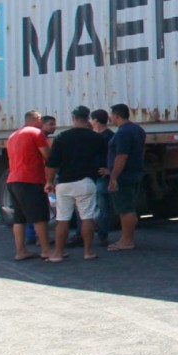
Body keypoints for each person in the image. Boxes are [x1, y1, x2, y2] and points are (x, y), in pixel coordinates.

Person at [45, 106, 108, 262]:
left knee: (63, 218)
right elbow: (103, 161)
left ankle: (58, 253)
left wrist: (49, 181)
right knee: (87, 217)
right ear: (88, 119)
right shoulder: (97, 138)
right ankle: (88, 252)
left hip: (64, 183)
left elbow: (52, 163)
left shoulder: (61, 137)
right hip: (86, 182)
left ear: (73, 118)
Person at [6, 110, 52, 261]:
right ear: (36, 119)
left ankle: (21, 251)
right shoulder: (36, 133)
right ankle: (46, 250)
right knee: (40, 216)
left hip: (13, 180)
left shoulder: (13, 136)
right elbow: (48, 156)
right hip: (30, 180)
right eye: (40, 120)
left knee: (19, 219)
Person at [105, 103, 145, 251]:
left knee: (125, 209)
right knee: (129, 207)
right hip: (134, 173)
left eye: (112, 116)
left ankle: (127, 241)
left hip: (124, 176)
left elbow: (121, 156)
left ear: (116, 115)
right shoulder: (137, 129)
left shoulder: (123, 133)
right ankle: (125, 238)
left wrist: (113, 177)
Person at [90, 109, 115, 246]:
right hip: (100, 175)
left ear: (95, 121)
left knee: (101, 206)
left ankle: (101, 234)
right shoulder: (111, 135)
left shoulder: (103, 137)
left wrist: (109, 170)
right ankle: (102, 235)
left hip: (100, 176)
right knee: (103, 207)